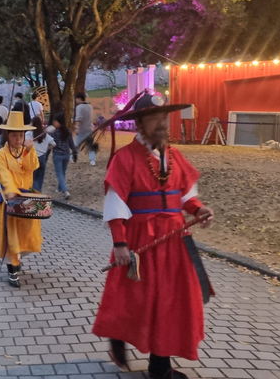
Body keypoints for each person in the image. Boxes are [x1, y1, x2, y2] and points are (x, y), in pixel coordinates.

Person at [92, 91, 215, 379]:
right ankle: (118, 336)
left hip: (174, 242)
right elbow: (115, 203)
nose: (161, 123)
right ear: (140, 123)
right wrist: (120, 243)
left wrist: (198, 211)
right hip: (138, 242)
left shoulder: (175, 156)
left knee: (171, 301)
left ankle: (159, 366)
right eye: (154, 118)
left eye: (164, 118)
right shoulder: (125, 158)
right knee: (134, 300)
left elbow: (187, 196)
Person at [0, 111, 40, 287]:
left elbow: (32, 166)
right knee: (11, 236)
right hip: (9, 200)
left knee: (26, 235)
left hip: (26, 199)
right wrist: (11, 190)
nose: (18, 139)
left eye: (21, 135)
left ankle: (17, 259)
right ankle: (12, 269)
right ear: (8, 135)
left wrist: (30, 150)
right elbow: (3, 174)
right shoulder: (0, 155)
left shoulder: (25, 150)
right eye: (14, 135)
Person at [50, 112, 78, 200]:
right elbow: (71, 144)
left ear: (59, 122)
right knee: (63, 172)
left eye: (55, 121)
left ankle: (65, 191)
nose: (54, 123)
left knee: (59, 174)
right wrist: (74, 152)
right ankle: (60, 188)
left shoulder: (54, 132)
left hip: (57, 155)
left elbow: (51, 144)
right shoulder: (68, 131)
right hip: (66, 155)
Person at [27, 116, 55, 192]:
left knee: (32, 178)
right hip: (42, 158)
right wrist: (46, 149)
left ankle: (33, 195)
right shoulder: (44, 135)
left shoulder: (28, 134)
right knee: (39, 179)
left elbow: (24, 144)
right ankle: (38, 194)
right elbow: (53, 144)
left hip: (31, 158)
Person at [74, 92, 97, 165]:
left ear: (79, 98)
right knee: (90, 145)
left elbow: (78, 118)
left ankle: (73, 158)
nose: (75, 100)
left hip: (81, 130)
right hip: (90, 129)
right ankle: (92, 160)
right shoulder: (90, 106)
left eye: (76, 99)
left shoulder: (79, 107)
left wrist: (77, 128)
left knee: (76, 144)